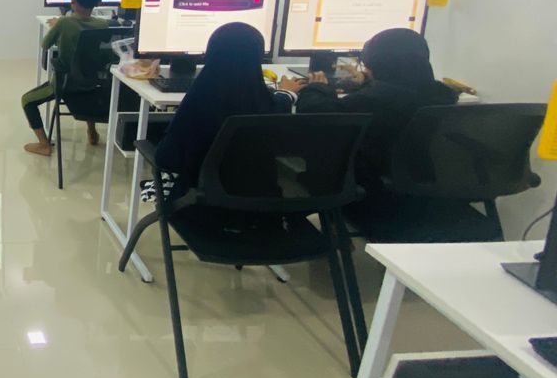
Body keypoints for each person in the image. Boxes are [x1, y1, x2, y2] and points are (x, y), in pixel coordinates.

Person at [285, 27, 457, 228]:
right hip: (425, 194)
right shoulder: (443, 94)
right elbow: (392, 91)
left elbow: (317, 113)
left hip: (372, 197)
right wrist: (369, 81)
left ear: (377, 63)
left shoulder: (375, 100)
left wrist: (318, 87)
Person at [154, 22, 289, 189]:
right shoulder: (264, 102)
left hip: (204, 198)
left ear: (210, 53)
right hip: (262, 199)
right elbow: (279, 109)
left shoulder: (199, 100)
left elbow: (166, 159)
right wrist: (288, 93)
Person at [22, 0, 109, 156]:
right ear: (99, 2)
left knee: (27, 100)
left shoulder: (64, 23)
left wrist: (57, 26)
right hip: (92, 86)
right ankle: (92, 132)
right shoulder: (103, 25)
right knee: (86, 71)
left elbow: (45, 45)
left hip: (65, 85)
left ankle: (44, 145)